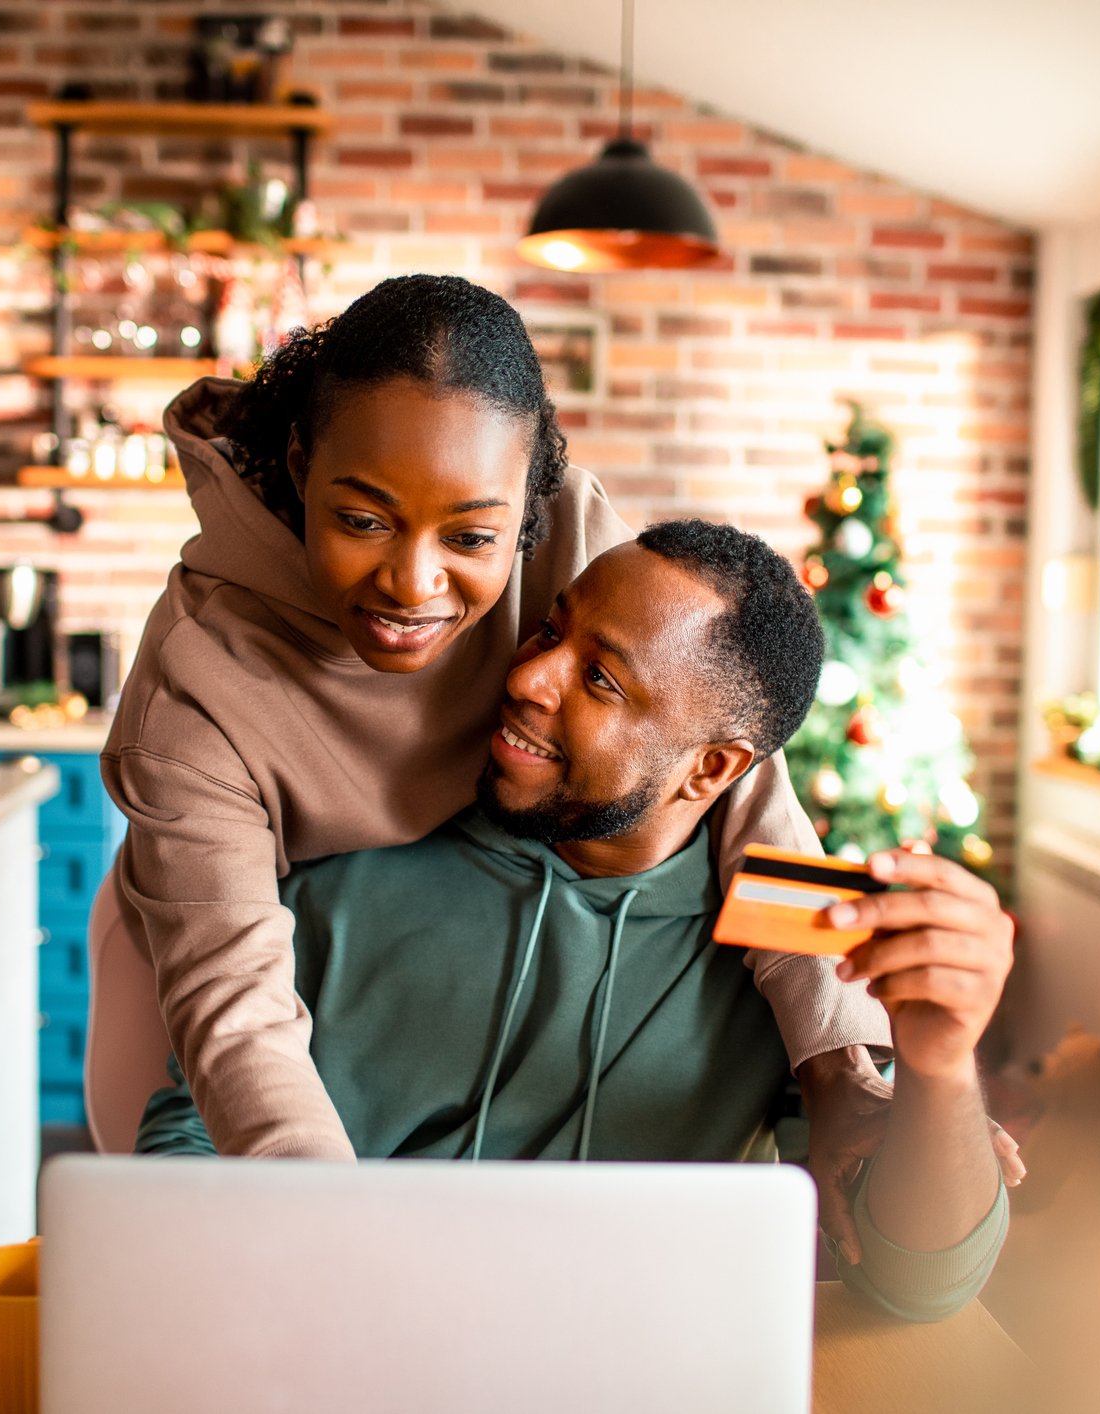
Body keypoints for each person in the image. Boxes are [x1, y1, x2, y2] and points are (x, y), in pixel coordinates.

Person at [98, 276, 909, 1249]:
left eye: (474, 537)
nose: (414, 582)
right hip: (234, 957)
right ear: (303, 463)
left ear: (525, 507)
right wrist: (334, 1253)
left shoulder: (564, 530)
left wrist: (843, 1063)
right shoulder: (195, 687)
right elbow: (236, 1017)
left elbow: (731, 765)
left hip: (465, 896)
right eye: (363, 520)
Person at [137, 523, 1013, 1321]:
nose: (525, 678)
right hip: (350, 1338)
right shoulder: (348, 865)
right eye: (550, 631)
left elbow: (918, 1283)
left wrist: (939, 1066)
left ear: (709, 769)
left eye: (599, 679)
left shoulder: (790, 948)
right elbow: (191, 1134)